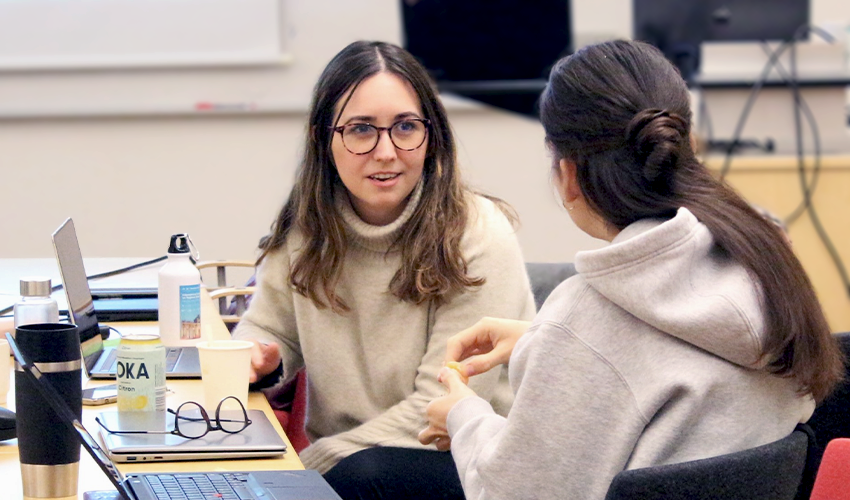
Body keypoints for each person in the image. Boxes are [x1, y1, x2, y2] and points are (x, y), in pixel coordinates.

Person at [418, 39, 844, 500]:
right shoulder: (763, 259)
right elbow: (665, 361)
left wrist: (464, 416)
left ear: (568, 175)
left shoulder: (584, 314)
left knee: (373, 477)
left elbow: (513, 493)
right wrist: (542, 341)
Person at [231, 40, 536, 499]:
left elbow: (439, 406)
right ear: (323, 137)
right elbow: (268, 329)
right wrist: (257, 358)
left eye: (406, 127)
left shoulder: (477, 233)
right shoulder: (308, 226)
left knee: (365, 475)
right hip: (350, 466)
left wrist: (310, 469)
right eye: (360, 130)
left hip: (469, 463)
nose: (387, 151)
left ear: (430, 134)